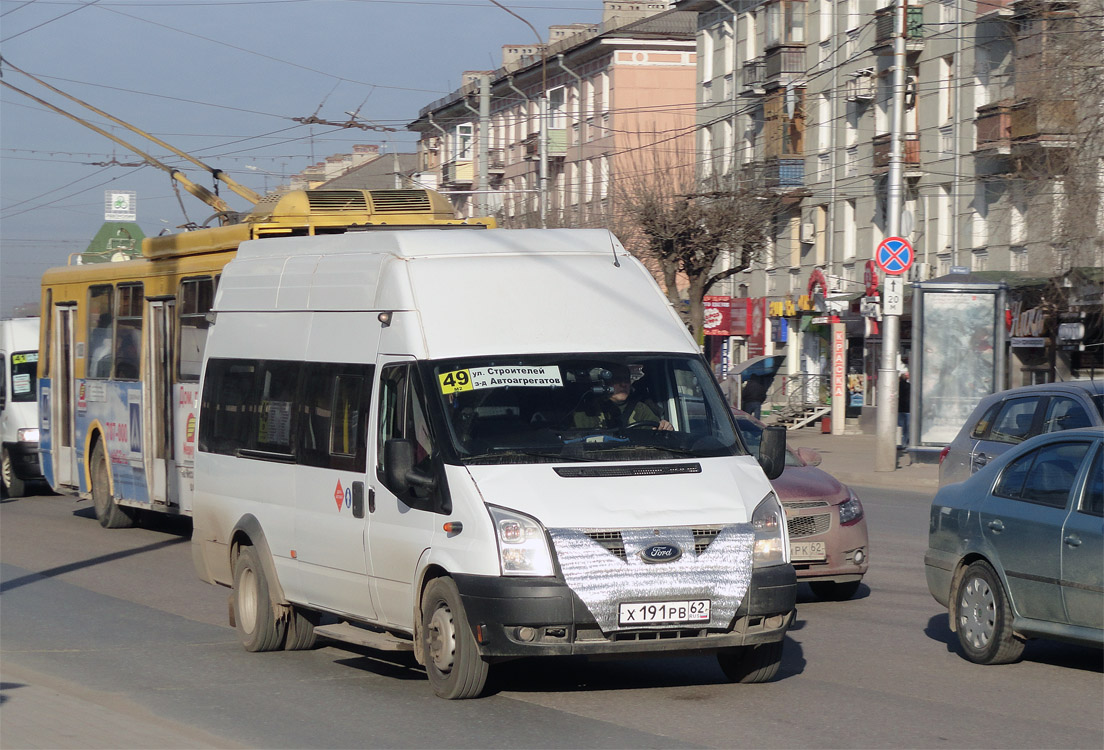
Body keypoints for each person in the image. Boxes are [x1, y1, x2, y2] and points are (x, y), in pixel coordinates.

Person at [573, 366, 673, 431]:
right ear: (604, 383)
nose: (623, 384)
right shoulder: (588, 410)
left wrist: (664, 427)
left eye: (626, 379)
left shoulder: (640, 409)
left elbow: (655, 432)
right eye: (617, 379)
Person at [897, 370, 911, 447]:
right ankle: (905, 443)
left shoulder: (897, 386)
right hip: (908, 409)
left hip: (900, 409)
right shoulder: (909, 386)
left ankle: (900, 443)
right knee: (906, 428)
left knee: (900, 427)